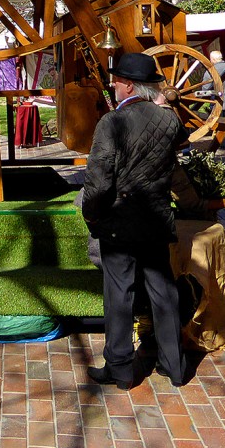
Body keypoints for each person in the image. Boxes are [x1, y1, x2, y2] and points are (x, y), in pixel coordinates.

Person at [79, 52, 187, 390]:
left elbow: (99, 179)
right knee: (164, 292)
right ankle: (175, 366)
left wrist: (91, 214)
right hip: (155, 218)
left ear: (127, 85)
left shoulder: (112, 122)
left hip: (120, 220)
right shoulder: (170, 121)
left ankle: (122, 368)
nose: (112, 85)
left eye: (116, 80)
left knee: (119, 295)